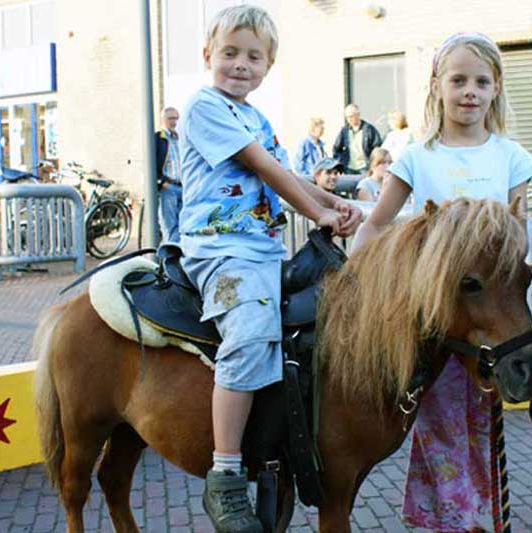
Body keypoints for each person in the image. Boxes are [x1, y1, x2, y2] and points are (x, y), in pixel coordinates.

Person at [176, 6, 361, 531]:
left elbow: (288, 170)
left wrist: (334, 200)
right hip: (222, 248)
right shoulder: (203, 107)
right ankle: (227, 476)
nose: (240, 64)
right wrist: (320, 212)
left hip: (262, 249)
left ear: (268, 65)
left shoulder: (255, 118)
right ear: (207, 55)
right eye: (229, 52)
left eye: (253, 56)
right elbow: (263, 168)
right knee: (252, 330)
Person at [352, 32, 532, 532]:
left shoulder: (510, 156)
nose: (469, 92)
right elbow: (376, 223)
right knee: (438, 428)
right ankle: (460, 522)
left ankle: (470, 518)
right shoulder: (418, 156)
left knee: (481, 428)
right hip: (438, 324)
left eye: (481, 81)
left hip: (494, 320)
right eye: (458, 80)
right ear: (437, 86)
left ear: (496, 88)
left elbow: (523, 227)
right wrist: (359, 271)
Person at [155, 107, 183, 243]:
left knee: (183, 226)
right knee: (169, 226)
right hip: (168, 187)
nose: (175, 122)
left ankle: (178, 258)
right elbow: (150, 163)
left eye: (177, 118)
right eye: (171, 118)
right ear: (163, 120)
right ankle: (169, 260)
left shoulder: (179, 139)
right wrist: (160, 182)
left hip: (183, 187)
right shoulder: (158, 138)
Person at [332, 103, 382, 174]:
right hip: (349, 167)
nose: (349, 119)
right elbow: (336, 148)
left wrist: (373, 162)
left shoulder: (369, 129)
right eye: (347, 117)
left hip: (365, 167)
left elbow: (377, 147)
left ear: (357, 115)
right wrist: (340, 162)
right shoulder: (345, 130)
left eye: (351, 116)